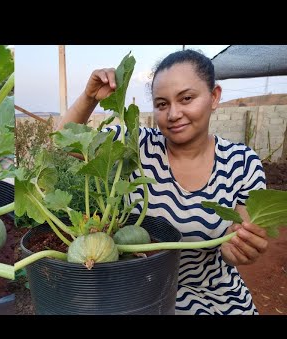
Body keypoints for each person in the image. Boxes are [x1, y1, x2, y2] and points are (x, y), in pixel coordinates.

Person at [58, 49, 269, 315]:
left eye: (187, 98)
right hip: (138, 289)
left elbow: (235, 241)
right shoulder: (135, 143)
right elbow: (65, 143)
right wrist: (89, 98)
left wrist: (238, 248)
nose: (173, 114)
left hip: (214, 293)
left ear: (214, 97)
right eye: (162, 104)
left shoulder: (242, 162)